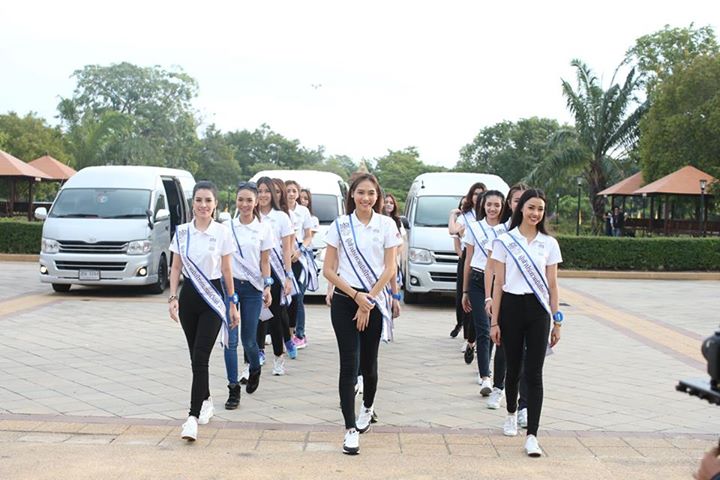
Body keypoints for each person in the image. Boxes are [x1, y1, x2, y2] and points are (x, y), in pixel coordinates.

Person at [323, 173, 401, 455]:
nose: (366, 198)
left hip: (375, 300)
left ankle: (367, 407)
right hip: (346, 300)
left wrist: (369, 300)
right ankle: (350, 429)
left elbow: (390, 268)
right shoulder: (340, 225)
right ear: (352, 195)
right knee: (349, 363)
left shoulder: (386, 224)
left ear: (377, 196)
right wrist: (357, 297)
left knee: (369, 364)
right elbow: (328, 269)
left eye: (371, 193)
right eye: (360, 193)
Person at [490, 189, 563, 457]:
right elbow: (498, 283)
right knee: (513, 369)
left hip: (538, 311)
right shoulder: (505, 241)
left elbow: (553, 285)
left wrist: (557, 321)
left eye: (540, 209)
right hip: (510, 308)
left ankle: (533, 435)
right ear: (521, 208)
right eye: (531, 207)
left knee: (535, 373)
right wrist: (494, 322)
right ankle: (511, 413)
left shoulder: (549, 243)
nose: (535, 213)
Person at [168, 180, 240, 442]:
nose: (203, 205)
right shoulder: (182, 232)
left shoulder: (222, 232)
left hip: (213, 299)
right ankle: (206, 399)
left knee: (201, 357)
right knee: (195, 357)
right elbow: (176, 267)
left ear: (215, 204)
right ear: (193, 203)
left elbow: (227, 270)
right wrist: (173, 297)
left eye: (208, 200)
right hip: (189, 298)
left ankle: (192, 417)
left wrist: (232, 303)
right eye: (199, 200)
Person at [223, 181, 273, 409]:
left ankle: (255, 367)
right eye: (240, 199)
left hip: (253, 289)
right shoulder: (227, 227)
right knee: (230, 341)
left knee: (249, 340)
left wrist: (267, 286)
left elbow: (265, 261)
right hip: (230, 287)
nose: (244, 204)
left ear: (256, 202)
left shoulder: (263, 228)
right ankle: (233, 389)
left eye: (249, 200)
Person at [483, 183, 530, 416]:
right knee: (502, 347)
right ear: (509, 204)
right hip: (506, 298)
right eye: (516, 200)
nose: (519, 204)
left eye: (523, 200)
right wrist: (489, 297)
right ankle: (498, 388)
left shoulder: (537, 236)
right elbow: (490, 269)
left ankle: (524, 404)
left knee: (527, 354)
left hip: (530, 303)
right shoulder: (501, 233)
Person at [461, 190, 504, 393]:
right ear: (483, 206)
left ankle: (482, 361)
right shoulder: (474, 228)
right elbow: (468, 259)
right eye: (489, 205)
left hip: (500, 282)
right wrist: (464, 290)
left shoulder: (506, 229)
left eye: (497, 205)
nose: (492, 209)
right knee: (483, 328)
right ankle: (485, 376)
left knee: (493, 327)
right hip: (478, 281)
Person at [258, 177, 296, 375]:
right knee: (257, 316)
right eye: (259, 191)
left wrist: (288, 276)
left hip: (275, 272)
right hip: (253, 271)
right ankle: (258, 352)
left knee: (274, 315)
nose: (263, 195)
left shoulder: (281, 217)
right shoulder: (251, 215)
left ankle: (278, 357)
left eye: (266, 191)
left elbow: (286, 249)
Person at [448, 182, 486, 364]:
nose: (478, 197)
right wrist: (453, 215)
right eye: (475, 193)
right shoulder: (467, 216)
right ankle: (468, 338)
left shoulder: (489, 215)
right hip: (469, 258)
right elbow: (453, 231)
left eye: (482, 193)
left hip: (486, 261)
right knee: (466, 300)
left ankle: (479, 339)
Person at [285, 180, 316, 350]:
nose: (291, 194)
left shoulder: (303, 211)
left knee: (298, 297)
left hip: (300, 257)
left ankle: (300, 334)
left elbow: (308, 235)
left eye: (293, 191)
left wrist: (299, 251)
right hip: (284, 256)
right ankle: (282, 333)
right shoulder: (280, 210)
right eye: (288, 190)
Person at [383, 193, 404, 319]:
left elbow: (401, 244)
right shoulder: (378, 219)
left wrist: (392, 255)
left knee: (393, 290)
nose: (388, 205)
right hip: (380, 263)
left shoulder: (397, 222)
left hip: (393, 263)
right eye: (386, 202)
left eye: (391, 203)